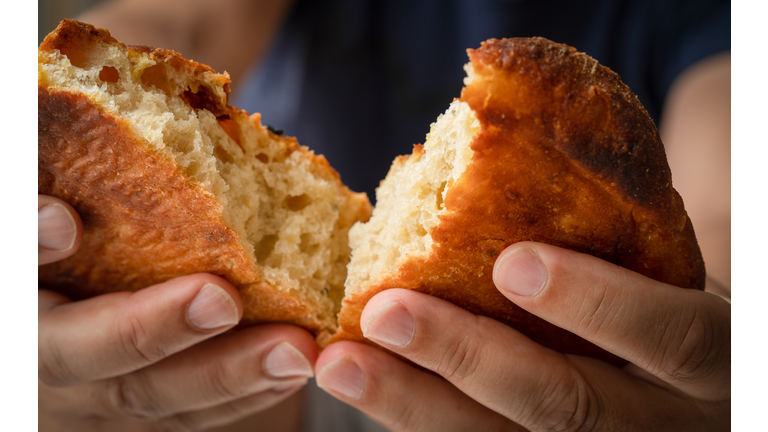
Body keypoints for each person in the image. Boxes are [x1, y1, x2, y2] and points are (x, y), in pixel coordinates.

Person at [39, 0, 731, 430]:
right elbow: (174, 22)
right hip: (253, 377)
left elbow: (726, 217)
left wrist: (728, 385)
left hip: (566, 390)